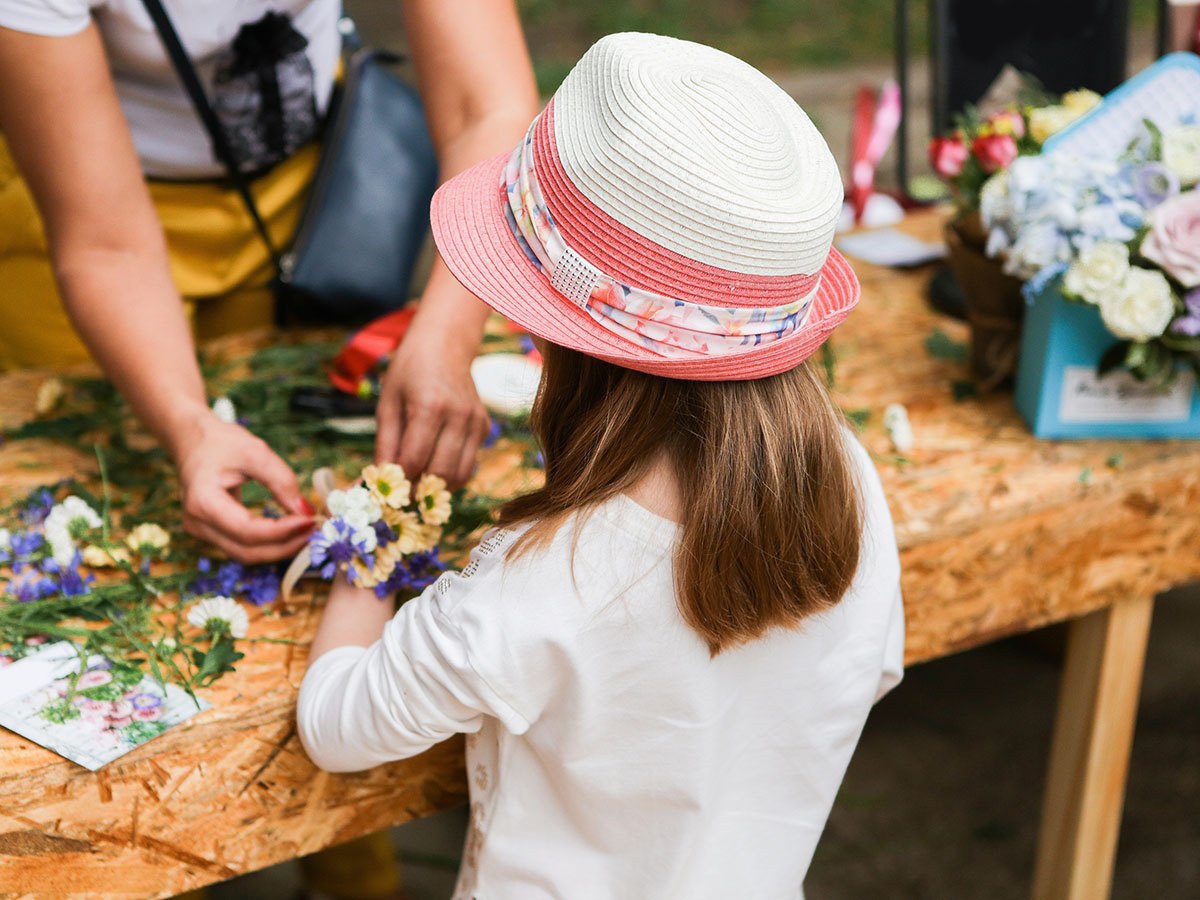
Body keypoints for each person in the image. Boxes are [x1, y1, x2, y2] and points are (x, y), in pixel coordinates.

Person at [297, 33, 905, 899]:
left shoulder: (532, 583)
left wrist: (374, 529)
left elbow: (336, 724)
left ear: (558, 335)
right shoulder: (850, 479)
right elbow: (874, 669)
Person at [0, 0, 538, 564]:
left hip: (294, 200)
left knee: (289, 444)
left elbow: (489, 107)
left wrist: (446, 336)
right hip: (90, 209)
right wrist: (189, 427)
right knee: (99, 482)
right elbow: (107, 248)